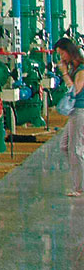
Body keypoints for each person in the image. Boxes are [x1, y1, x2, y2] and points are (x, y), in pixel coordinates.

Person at [55, 36, 84, 196]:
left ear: (69, 52)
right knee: (65, 145)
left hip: (80, 111)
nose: (61, 58)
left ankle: (79, 187)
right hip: (75, 112)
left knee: (75, 149)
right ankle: (79, 177)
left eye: (62, 54)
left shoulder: (81, 70)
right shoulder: (76, 68)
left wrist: (65, 74)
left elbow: (75, 91)